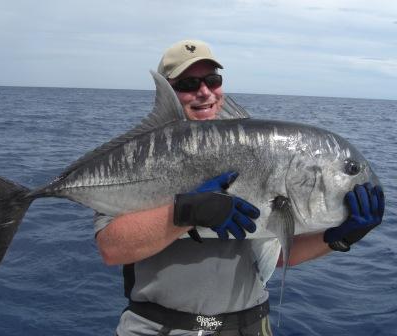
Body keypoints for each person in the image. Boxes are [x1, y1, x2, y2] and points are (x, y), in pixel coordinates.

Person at [95, 40, 385, 336]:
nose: (204, 91)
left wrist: (338, 237)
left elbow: (280, 253)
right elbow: (112, 248)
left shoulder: (259, 148)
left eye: (212, 80)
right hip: (161, 328)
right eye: (188, 83)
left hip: (250, 327)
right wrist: (185, 212)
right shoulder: (136, 158)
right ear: (168, 93)